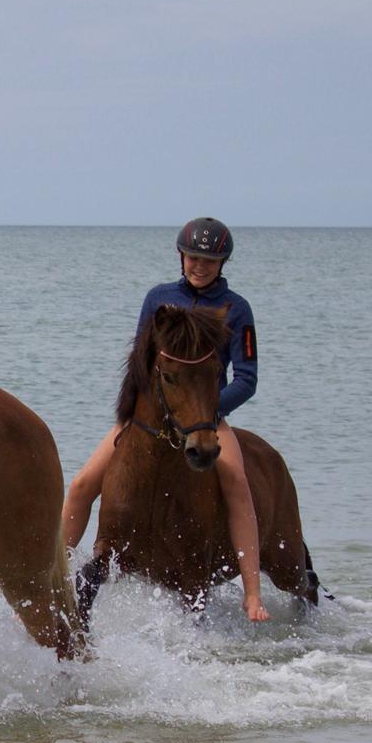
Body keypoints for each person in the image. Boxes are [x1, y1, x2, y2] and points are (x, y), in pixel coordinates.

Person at [61, 217, 271, 622]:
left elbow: (246, 378)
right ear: (182, 256)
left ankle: (252, 594)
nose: (200, 266)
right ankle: (51, 577)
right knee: (83, 483)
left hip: (207, 418)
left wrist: (207, 413)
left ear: (222, 262)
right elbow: (140, 365)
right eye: (193, 257)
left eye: (209, 260)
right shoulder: (159, 299)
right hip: (154, 416)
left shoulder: (237, 310)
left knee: (237, 483)